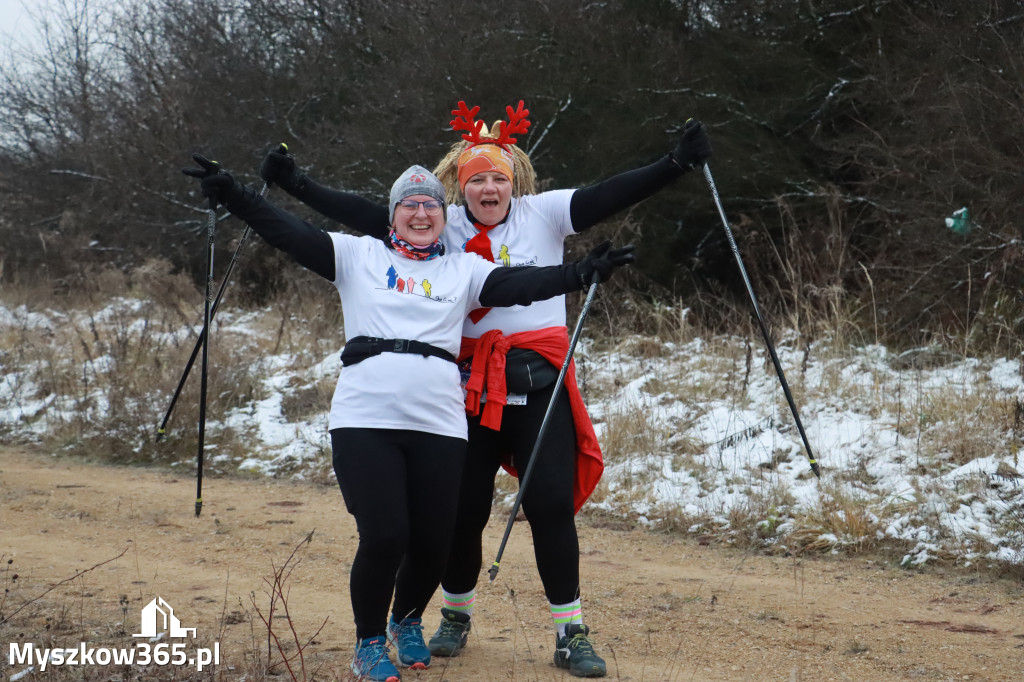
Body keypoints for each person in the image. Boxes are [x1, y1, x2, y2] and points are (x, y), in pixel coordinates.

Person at [257, 101, 712, 678]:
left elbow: (606, 195)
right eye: (476, 180)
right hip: (464, 387)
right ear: (459, 186)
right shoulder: (441, 223)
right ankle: (453, 614)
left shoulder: (542, 214)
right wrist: (297, 184)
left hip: (538, 379)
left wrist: (674, 163)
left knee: (549, 505)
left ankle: (570, 632)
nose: (488, 188)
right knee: (459, 514)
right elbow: (367, 214)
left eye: (498, 177)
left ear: (514, 180)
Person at [182, 156, 635, 682]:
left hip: (440, 423)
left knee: (434, 541)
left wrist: (581, 273)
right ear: (392, 215)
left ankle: (407, 620)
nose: (420, 214)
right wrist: (236, 194)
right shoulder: (357, 255)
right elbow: (289, 232)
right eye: (409, 205)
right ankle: (369, 643)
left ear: (444, 217)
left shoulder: (463, 268)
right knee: (385, 535)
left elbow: (518, 285)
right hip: (366, 416)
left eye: (430, 206)